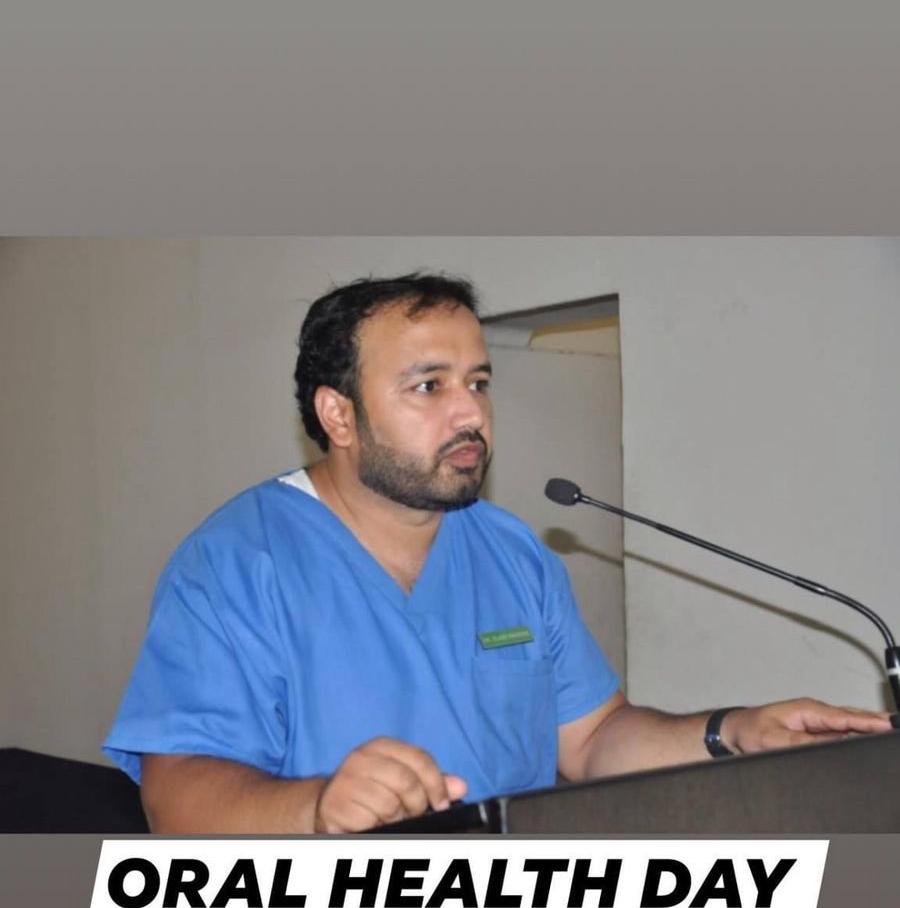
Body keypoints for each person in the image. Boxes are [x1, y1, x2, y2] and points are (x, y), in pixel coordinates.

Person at [103, 272, 892, 833]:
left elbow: (591, 740)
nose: (470, 414)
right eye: (429, 386)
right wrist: (315, 808)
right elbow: (177, 797)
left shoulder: (511, 550)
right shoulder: (237, 562)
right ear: (338, 415)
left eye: (478, 383)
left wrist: (732, 732)